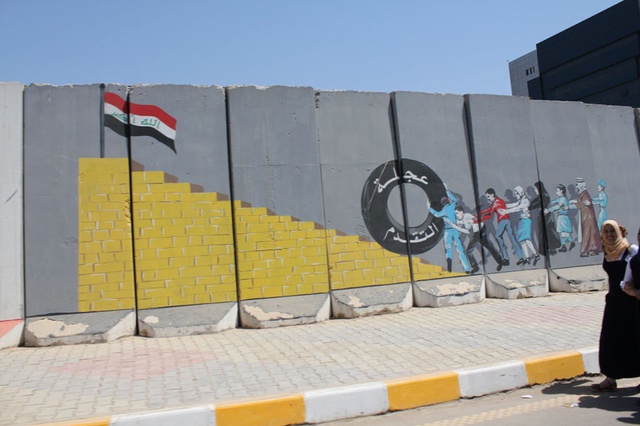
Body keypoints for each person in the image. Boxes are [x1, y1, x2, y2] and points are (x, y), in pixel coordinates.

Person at [590, 220, 640, 392]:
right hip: (614, 302)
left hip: (632, 302)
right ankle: (610, 378)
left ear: (619, 232)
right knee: (610, 340)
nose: (610, 235)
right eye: (607, 232)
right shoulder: (607, 252)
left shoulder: (630, 250)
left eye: (613, 231)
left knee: (634, 340)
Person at [479, 188, 525, 266]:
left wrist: (480, 218)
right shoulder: (500, 201)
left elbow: (490, 214)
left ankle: (506, 258)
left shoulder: (495, 203)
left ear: (492, 195)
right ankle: (521, 257)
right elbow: (490, 209)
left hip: (503, 221)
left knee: (497, 236)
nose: (488, 199)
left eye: (488, 197)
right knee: (512, 238)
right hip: (507, 220)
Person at [429, 189, 471, 274]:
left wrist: (429, 208)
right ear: (448, 200)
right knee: (460, 249)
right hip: (455, 230)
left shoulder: (443, 211)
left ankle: (449, 260)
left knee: (448, 248)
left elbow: (436, 214)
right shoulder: (452, 206)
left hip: (447, 231)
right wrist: (448, 191)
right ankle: (466, 268)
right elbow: (455, 199)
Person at [455, 206, 503, 272]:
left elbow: (474, 219)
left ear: (461, 212)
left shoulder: (468, 215)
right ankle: (500, 261)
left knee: (469, 250)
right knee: (489, 246)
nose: (456, 215)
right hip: (479, 231)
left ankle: (475, 267)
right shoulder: (463, 220)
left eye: (457, 213)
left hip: (480, 231)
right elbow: (467, 229)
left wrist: (470, 221)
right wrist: (458, 226)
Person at [504, 186, 540, 265]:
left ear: (520, 193)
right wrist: (503, 206)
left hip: (526, 221)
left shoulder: (525, 201)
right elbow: (514, 205)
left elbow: (518, 208)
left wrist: (506, 212)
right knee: (521, 240)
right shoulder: (520, 200)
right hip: (521, 221)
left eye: (516, 194)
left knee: (527, 239)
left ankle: (536, 255)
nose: (515, 195)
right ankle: (527, 257)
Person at [569, 177, 602, 257]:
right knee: (591, 232)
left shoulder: (585, 193)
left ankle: (585, 250)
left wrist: (573, 205)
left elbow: (587, 202)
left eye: (577, 184)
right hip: (585, 215)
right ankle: (594, 249)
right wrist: (574, 202)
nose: (576, 186)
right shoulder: (582, 193)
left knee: (587, 232)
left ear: (582, 185)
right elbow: (582, 202)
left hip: (587, 216)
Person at [544, 184, 575, 253]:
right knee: (563, 232)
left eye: (557, 191)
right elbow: (555, 201)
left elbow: (557, 206)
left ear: (561, 191)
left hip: (563, 217)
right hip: (562, 217)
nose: (556, 192)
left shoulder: (563, 199)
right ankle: (569, 244)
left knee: (564, 232)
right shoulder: (561, 198)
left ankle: (567, 244)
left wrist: (548, 210)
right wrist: (549, 202)